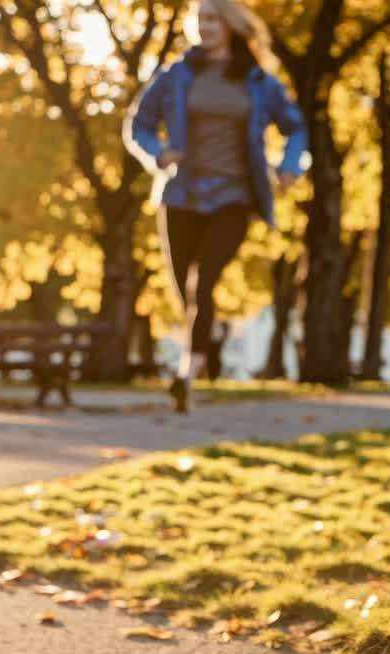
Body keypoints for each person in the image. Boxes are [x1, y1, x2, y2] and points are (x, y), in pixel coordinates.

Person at [123, 0, 306, 413]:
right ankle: (204, 340)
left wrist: (290, 166)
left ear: (232, 26)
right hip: (180, 193)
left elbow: (295, 128)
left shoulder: (258, 82)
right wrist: (158, 154)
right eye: (199, 19)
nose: (204, 26)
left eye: (213, 19)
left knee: (201, 283)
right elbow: (138, 125)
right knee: (182, 289)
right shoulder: (176, 76)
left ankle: (186, 376)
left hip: (234, 196)